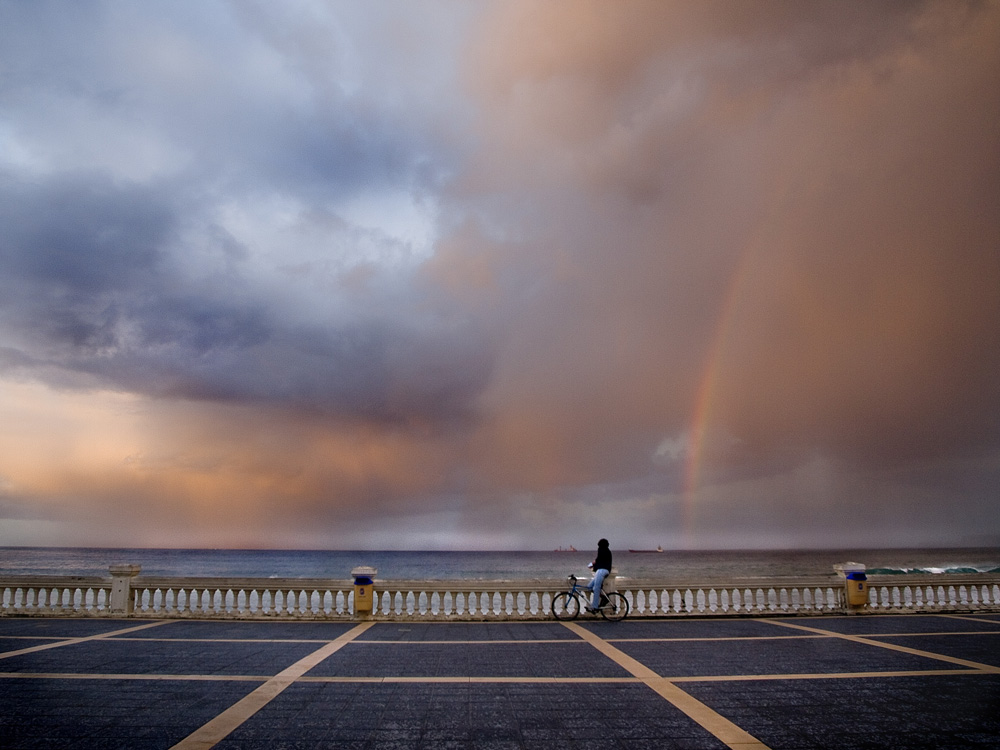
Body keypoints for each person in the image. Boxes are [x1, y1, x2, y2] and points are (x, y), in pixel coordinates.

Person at [585, 538, 612, 611]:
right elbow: (598, 560)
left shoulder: (602, 550)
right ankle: (604, 597)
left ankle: (595, 607)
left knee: (596, 588)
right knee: (589, 587)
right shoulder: (607, 551)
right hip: (603, 570)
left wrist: (591, 565)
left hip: (601, 571)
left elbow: (597, 561)